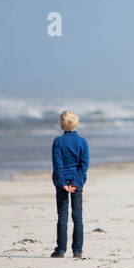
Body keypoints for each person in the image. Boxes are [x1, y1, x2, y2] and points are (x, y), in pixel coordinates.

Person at [50, 110, 89, 258]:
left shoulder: (58, 142)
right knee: (77, 216)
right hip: (76, 181)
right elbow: (83, 165)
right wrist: (76, 182)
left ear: (61, 125)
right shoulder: (82, 142)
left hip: (64, 181)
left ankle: (61, 249)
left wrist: (62, 183)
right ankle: (77, 250)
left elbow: (57, 164)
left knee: (62, 216)